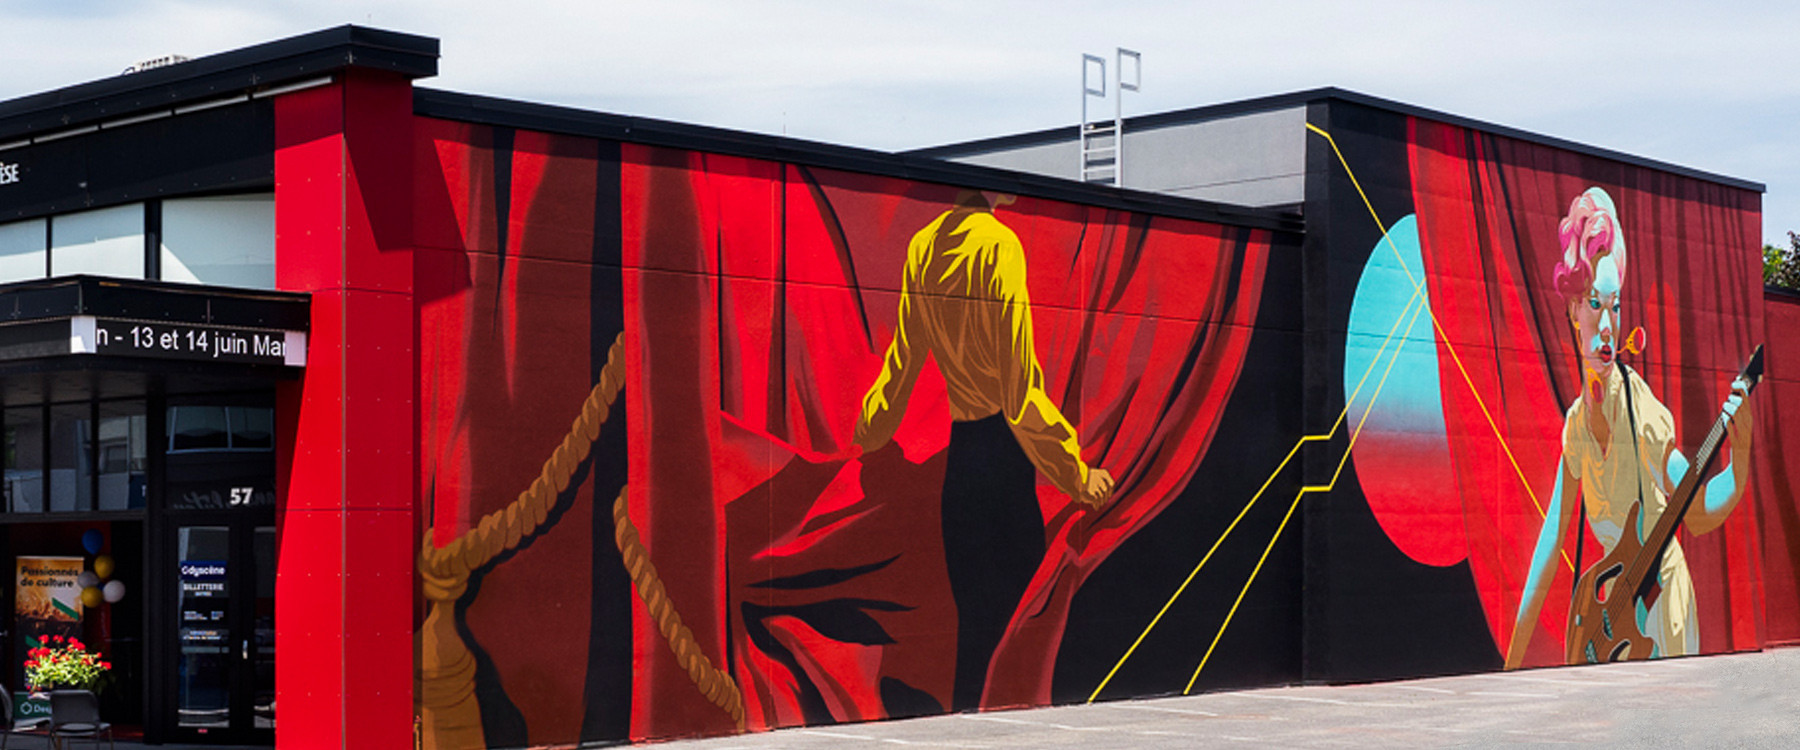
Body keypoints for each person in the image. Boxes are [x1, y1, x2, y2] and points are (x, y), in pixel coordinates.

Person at [855, 190, 1114, 710]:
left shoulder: (925, 246)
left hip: (963, 460)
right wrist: (1077, 475)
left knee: (975, 631)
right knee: (1017, 633)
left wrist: (868, 433)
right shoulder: (1000, 245)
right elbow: (1020, 393)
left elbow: (902, 364)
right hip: (1004, 459)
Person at [1504, 187, 1753, 668]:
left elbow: (1697, 513)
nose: (1607, 326)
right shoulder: (1576, 424)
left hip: (1660, 606)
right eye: (1594, 305)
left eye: (1615, 307)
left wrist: (1739, 460)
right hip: (1612, 617)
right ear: (1571, 312)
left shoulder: (1644, 414)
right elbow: (1550, 544)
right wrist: (1509, 665)